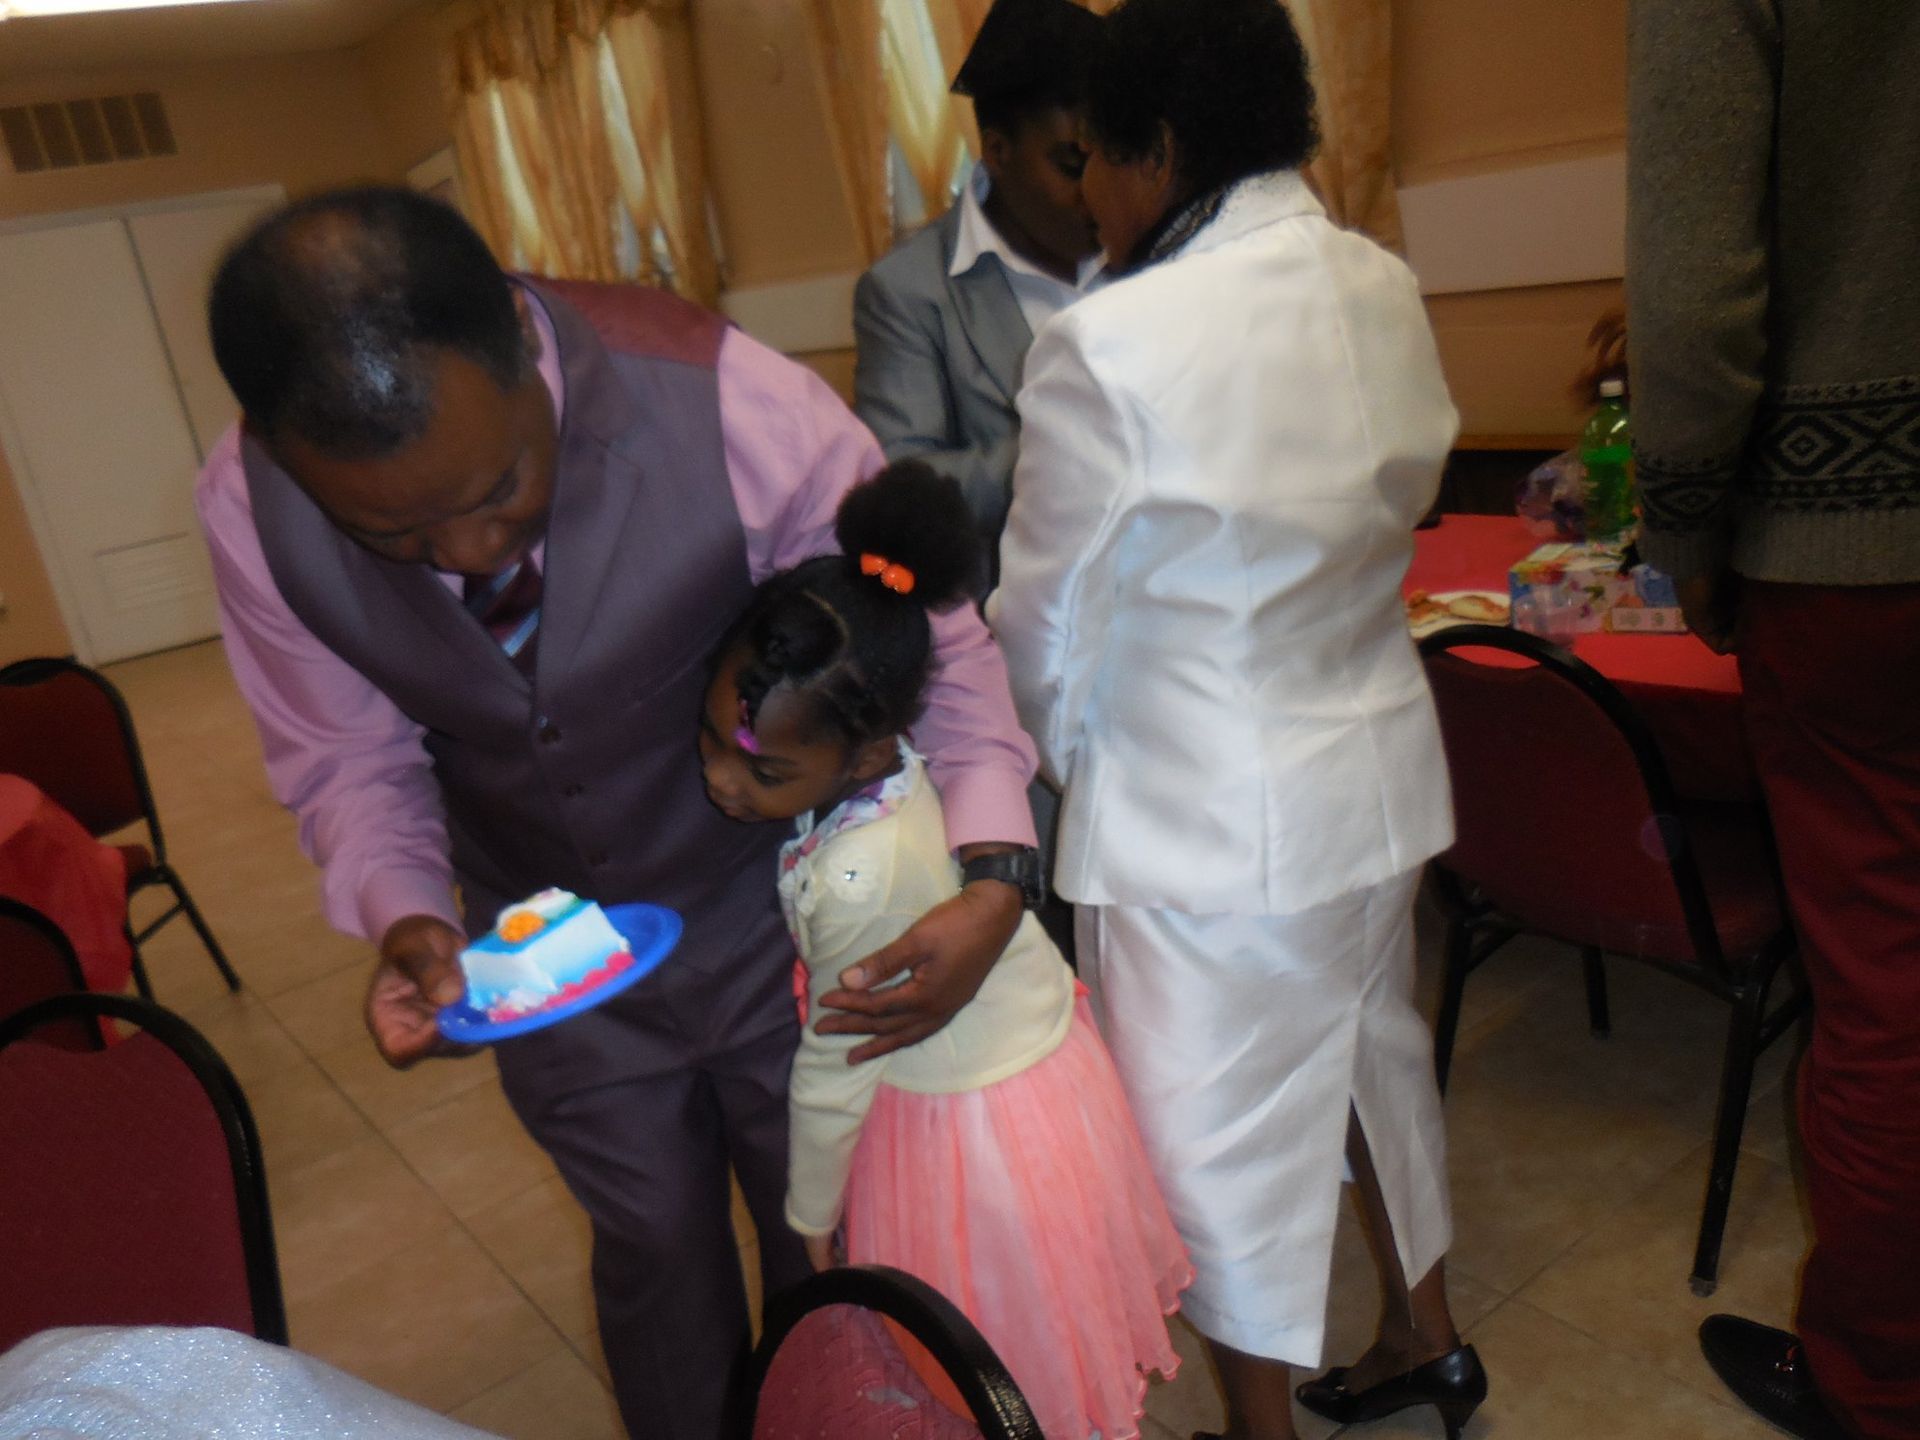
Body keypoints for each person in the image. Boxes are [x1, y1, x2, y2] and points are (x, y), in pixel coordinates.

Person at [195, 186, 1044, 1440]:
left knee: (839, 1230)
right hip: (548, 943)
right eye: (394, 533)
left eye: (501, 486)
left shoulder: (727, 401)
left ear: (517, 350)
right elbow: (345, 757)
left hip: (786, 912)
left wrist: (994, 873)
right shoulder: (250, 512)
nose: (467, 552)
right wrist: (409, 915)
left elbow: (932, 643)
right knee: (651, 1241)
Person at [988, 2, 1482, 1438]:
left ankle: (1261, 1430)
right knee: (1374, 1059)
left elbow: (1044, 624)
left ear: (1163, 149)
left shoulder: (1109, 340)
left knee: (1208, 1137)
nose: (1084, 193)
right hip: (1376, 779)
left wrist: (1084, 769)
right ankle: (1426, 1338)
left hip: (1199, 817)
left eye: (1096, 160)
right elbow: (1407, 494)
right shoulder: (1378, 281)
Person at [700, 460, 1191, 1440]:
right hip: (1032, 1085)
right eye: (712, 743)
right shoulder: (896, 772)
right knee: (1026, 1344)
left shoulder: (859, 874)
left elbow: (835, 1066)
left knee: (982, 1358)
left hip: (965, 1135)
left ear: (868, 751)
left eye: (763, 769)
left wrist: (806, 1216)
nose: (724, 784)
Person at [1626, 4, 1920, 1438]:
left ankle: (1876, 1377)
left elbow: (1692, 299)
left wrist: (1689, 540)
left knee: (1883, 994)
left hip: (1858, 555)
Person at [852, 0, 1104, 571]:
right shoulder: (908, 291)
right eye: (1070, 164)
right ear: (998, 150)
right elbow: (902, 488)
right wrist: (1074, 454)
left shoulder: (1157, 249)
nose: (1096, 190)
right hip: (1013, 624)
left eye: (1111, 162)